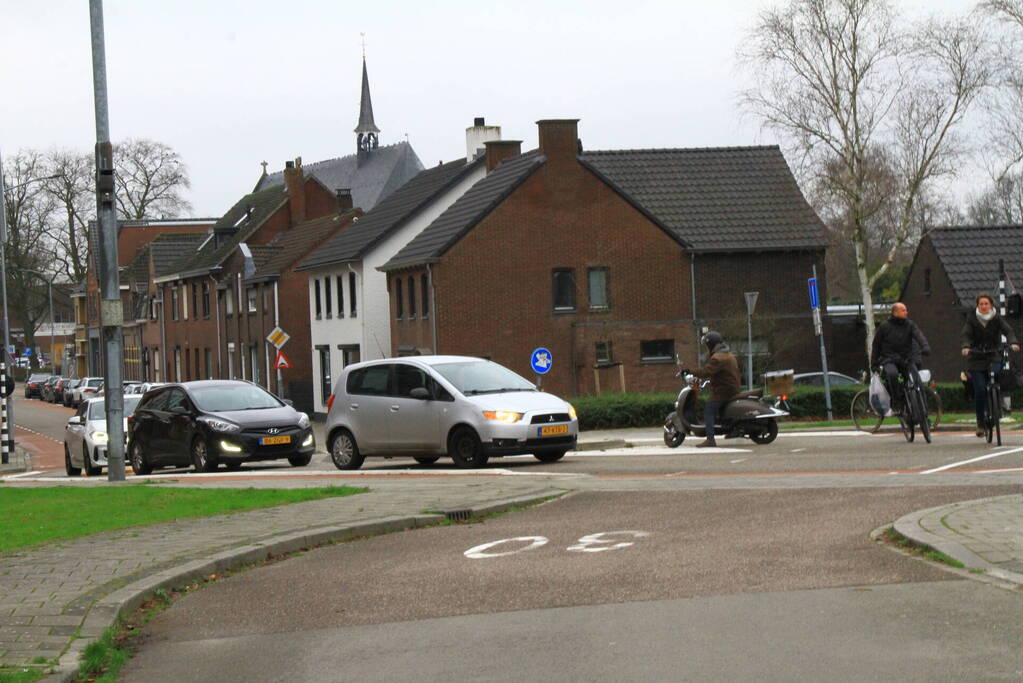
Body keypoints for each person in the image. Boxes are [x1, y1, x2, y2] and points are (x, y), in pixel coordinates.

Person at [960, 292, 1020, 437]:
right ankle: (980, 423)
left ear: (991, 305)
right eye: (981, 304)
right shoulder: (972, 318)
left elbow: (1008, 330)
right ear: (978, 305)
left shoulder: (996, 318)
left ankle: (997, 401)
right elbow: (966, 334)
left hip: (993, 355)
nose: (984, 306)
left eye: (986, 304)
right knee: (980, 390)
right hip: (976, 357)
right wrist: (966, 346)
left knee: (999, 378)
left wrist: (1013, 342)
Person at [870, 302, 931, 414]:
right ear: (895, 312)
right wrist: (874, 364)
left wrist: (925, 346)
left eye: (906, 310)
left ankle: (924, 414)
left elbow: (919, 336)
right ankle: (896, 403)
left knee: (917, 382)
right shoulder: (884, 327)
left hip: (906, 359)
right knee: (892, 374)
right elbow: (876, 346)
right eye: (903, 310)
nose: (906, 312)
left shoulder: (910, 325)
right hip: (889, 360)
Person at [694, 331, 741, 448]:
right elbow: (724, 374)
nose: (707, 348)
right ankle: (731, 430)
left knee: (709, 411)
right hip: (732, 388)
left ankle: (710, 439)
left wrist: (690, 371)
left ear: (711, 345)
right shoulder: (729, 355)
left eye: (707, 345)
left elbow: (706, 371)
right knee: (721, 409)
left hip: (724, 390)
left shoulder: (718, 358)